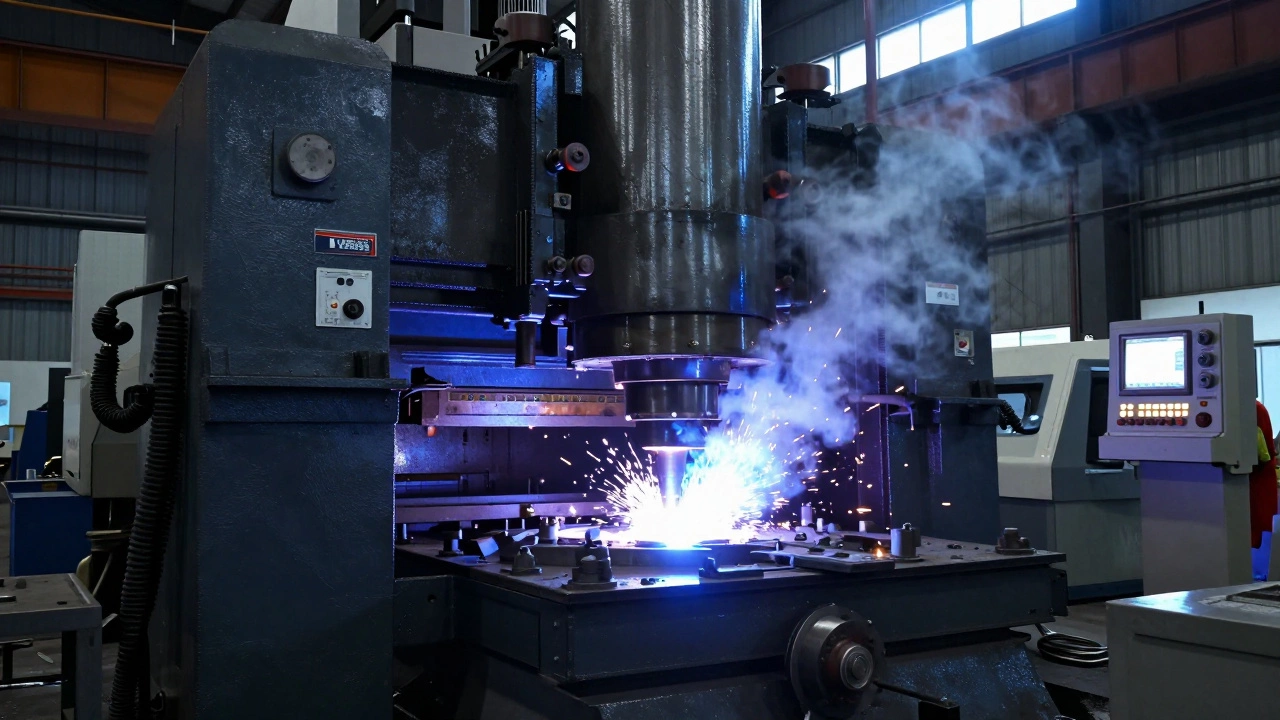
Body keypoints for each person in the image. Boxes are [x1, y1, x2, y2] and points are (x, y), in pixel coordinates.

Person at [1252, 401, 1278, 548]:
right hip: (1254, 476)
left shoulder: (1253, 408)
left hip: (1257, 479)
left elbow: (1263, 454)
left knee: (1259, 535)